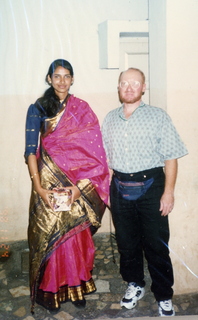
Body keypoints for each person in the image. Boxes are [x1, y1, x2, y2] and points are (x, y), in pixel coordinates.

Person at [24, 59, 109, 313]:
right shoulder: (37, 108)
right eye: (57, 76)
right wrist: (39, 188)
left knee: (75, 236)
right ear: (49, 79)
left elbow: (96, 154)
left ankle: (77, 286)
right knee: (51, 236)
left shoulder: (81, 109)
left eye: (67, 76)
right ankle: (51, 290)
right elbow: (31, 151)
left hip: (76, 184)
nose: (62, 81)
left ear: (72, 79)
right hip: (48, 183)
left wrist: (80, 187)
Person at [102, 67, 188, 317]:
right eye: (124, 83)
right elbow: (107, 161)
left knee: (156, 245)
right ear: (118, 88)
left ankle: (163, 295)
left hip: (152, 187)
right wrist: (108, 192)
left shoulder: (158, 116)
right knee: (126, 244)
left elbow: (171, 157)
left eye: (135, 83)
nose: (129, 87)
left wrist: (168, 193)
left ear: (143, 87)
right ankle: (135, 284)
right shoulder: (109, 119)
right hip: (119, 188)